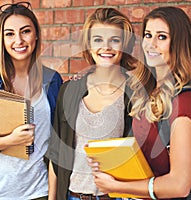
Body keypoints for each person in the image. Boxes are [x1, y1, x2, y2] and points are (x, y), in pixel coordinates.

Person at [87, 6, 191, 199]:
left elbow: (179, 185)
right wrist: (108, 163)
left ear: (179, 43)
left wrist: (118, 186)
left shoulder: (186, 102)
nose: (151, 44)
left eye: (162, 37)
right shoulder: (145, 92)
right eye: (148, 35)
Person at [0, 2, 62, 200]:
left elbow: (57, 140)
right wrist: (7, 142)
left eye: (25, 31)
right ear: (2, 39)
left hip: (39, 191)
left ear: (36, 34)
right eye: (10, 34)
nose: (19, 40)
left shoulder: (52, 80)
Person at [45, 7, 138, 200]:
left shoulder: (135, 94)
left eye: (115, 40)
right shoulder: (69, 90)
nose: (106, 47)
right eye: (98, 40)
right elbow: (56, 153)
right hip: (72, 195)